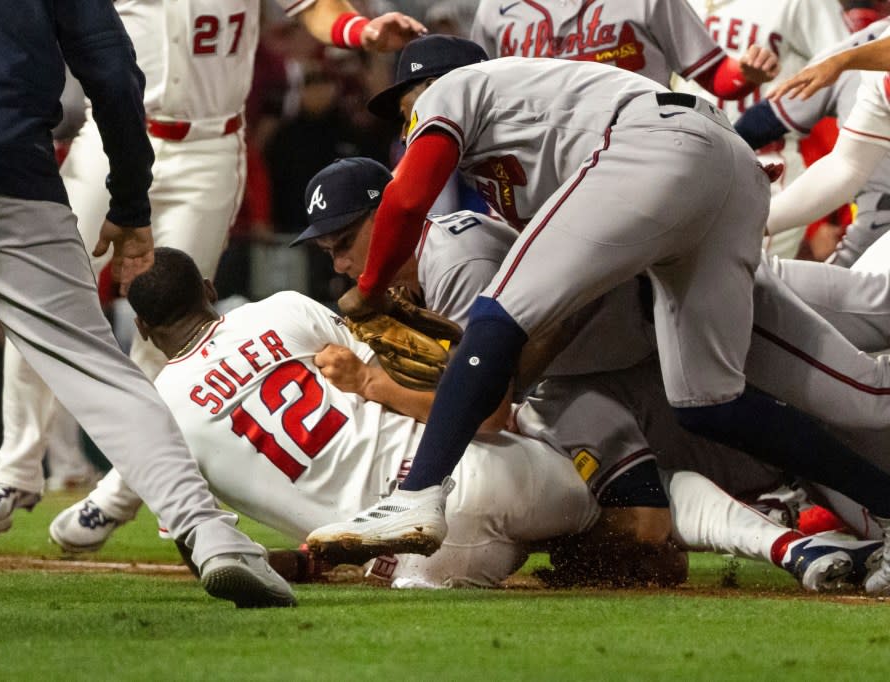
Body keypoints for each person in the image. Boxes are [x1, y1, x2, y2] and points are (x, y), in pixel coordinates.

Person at [302, 36, 890, 591]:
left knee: (496, 317)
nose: (410, 122)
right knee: (722, 403)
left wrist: (374, 285)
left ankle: (419, 495)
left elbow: (407, 196)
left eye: (409, 106)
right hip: (710, 175)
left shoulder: (459, 89)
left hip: (658, 151)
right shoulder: (519, 147)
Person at [0, 0, 296, 607]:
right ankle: (209, 535)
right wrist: (130, 204)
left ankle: (16, 474)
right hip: (8, 169)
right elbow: (114, 71)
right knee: (102, 372)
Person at [0, 0, 427, 539]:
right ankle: (16, 466)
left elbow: (313, 6)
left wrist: (359, 28)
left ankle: (126, 486)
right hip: (113, 135)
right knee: (41, 293)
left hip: (208, 145)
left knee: (173, 329)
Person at [117, 246, 602, 589]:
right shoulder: (283, 309)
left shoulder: (155, 419)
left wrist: (304, 563)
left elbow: (208, 556)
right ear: (208, 288)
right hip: (476, 469)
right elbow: (402, 378)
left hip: (408, 556)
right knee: (609, 522)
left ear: (141, 326)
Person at [674, 0, 850, 258]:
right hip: (684, 159)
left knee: (751, 282)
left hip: (763, 160)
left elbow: (847, 69)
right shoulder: (679, 4)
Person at [736, 19, 890, 266]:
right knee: (822, 295)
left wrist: (842, 61)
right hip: (879, 215)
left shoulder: (847, 61)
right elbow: (846, 168)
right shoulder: (872, 74)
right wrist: (750, 226)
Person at [470, 0, 780, 93]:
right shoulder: (493, 9)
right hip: (534, 170)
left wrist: (747, 73)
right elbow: (478, 94)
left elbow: (714, 74)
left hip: (636, 156)